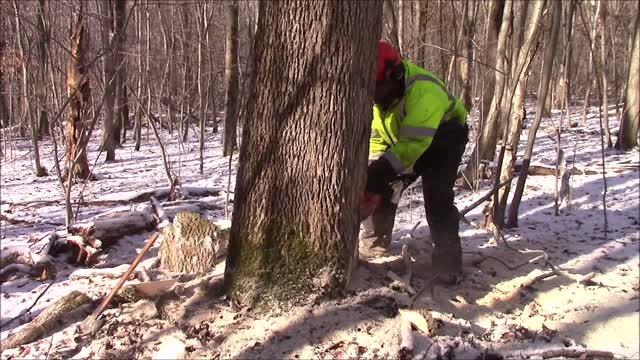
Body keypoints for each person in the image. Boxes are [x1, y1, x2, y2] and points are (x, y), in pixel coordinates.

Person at [360, 40, 469, 283]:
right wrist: (372, 182)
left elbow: (413, 146)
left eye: (377, 86)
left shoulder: (422, 92)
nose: (373, 94)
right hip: (407, 141)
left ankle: (448, 264)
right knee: (382, 182)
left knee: (437, 196)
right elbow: (378, 142)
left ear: (394, 76)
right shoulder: (378, 100)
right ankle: (375, 241)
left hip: (444, 138)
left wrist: (378, 174)